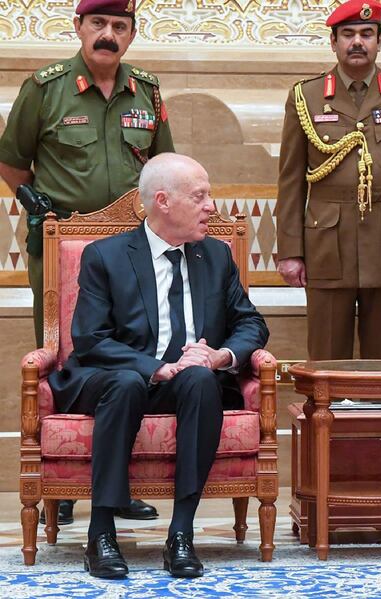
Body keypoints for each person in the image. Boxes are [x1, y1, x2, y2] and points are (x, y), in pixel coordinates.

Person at [48, 153, 269, 579]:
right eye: (200, 196)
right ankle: (101, 532)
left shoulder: (216, 257)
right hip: (111, 376)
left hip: (186, 380)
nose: (211, 206)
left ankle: (181, 534)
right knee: (129, 383)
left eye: (210, 196)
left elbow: (249, 322)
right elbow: (90, 339)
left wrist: (221, 356)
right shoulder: (106, 256)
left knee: (202, 379)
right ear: (163, 202)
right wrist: (155, 366)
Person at [0, 0, 172, 526]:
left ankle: (120, 481)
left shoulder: (147, 90)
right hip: (62, 252)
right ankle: (64, 487)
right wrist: (39, 211)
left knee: (133, 358)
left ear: (131, 35)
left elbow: (164, 166)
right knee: (67, 358)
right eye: (98, 23)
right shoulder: (45, 88)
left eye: (119, 26)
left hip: (133, 254)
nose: (107, 34)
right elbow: (11, 160)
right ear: (78, 27)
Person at [275, 0, 381, 361]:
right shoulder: (306, 96)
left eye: (366, 34)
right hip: (328, 243)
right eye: (348, 34)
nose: (357, 42)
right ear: (333, 42)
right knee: (326, 358)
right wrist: (291, 251)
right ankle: (325, 419)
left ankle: (379, 417)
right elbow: (291, 179)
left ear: (379, 40)